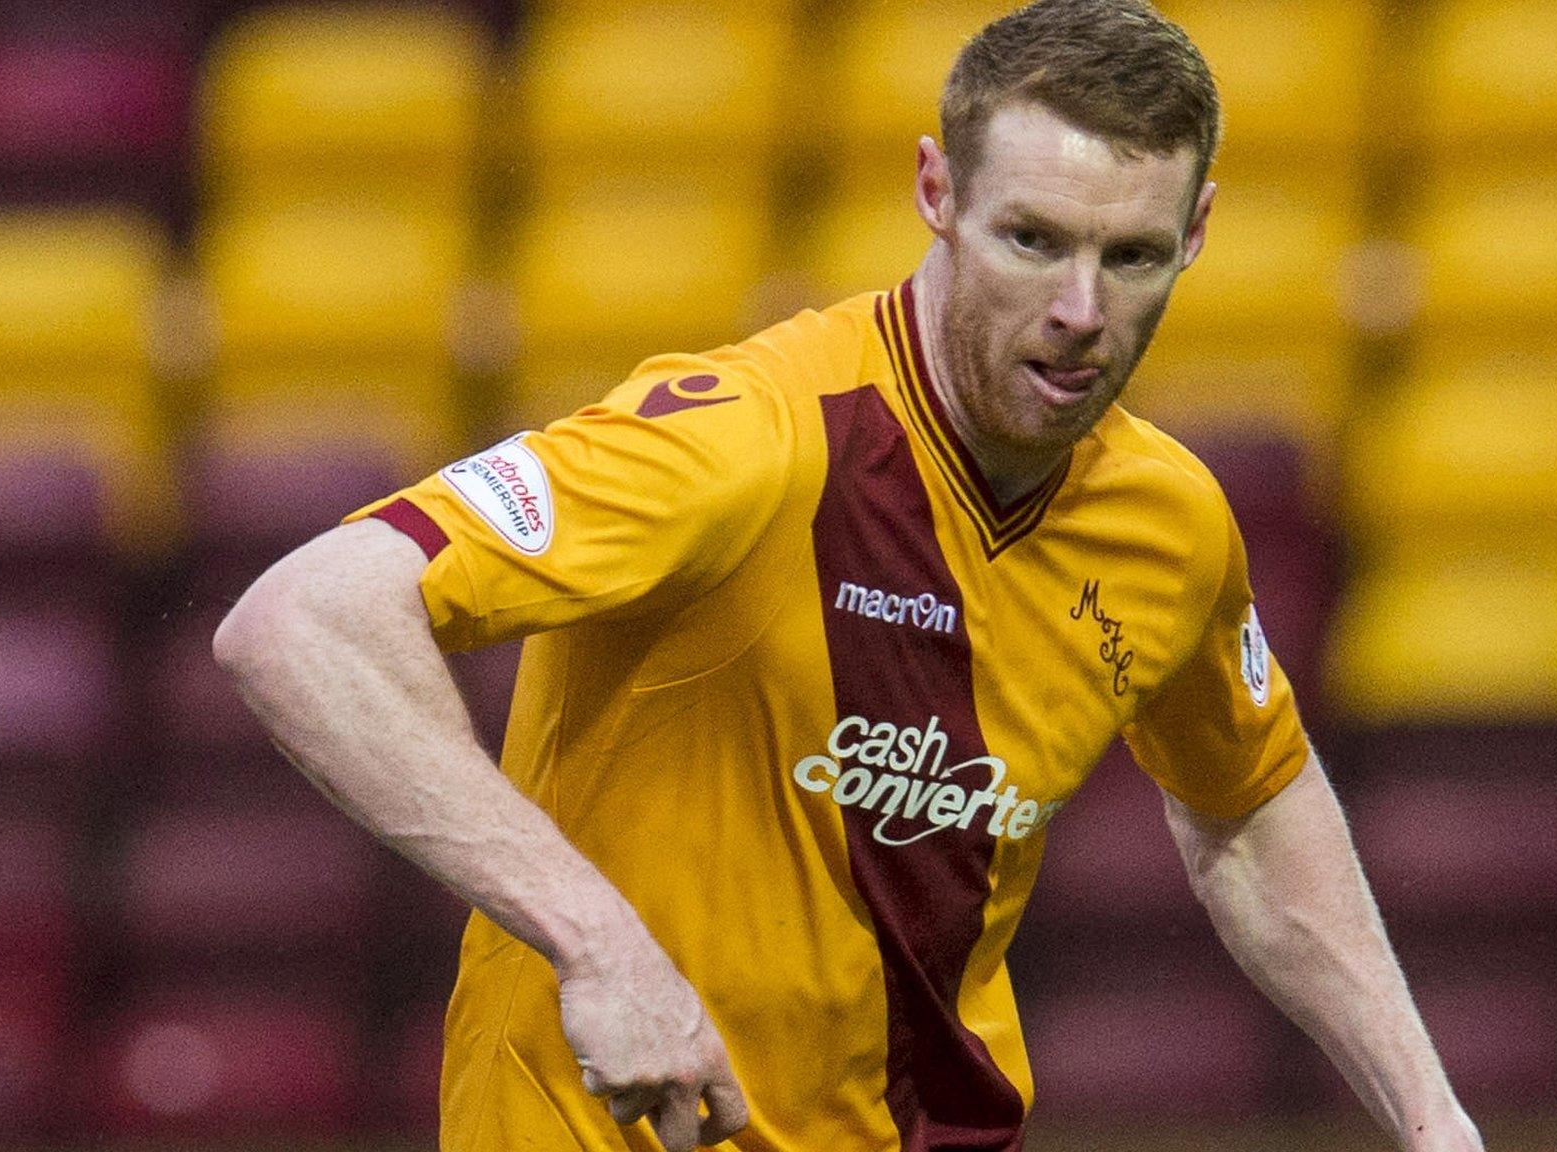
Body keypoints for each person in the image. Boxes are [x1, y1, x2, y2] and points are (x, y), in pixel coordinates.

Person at [215, 1, 1484, 1149]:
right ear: (934, 190)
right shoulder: (738, 442)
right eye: (1031, 240)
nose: (1080, 311)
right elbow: (300, 622)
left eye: (1134, 256)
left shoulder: (1171, 525)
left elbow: (1250, 803)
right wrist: (597, 943)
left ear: (1199, 229)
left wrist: (1430, 1117)